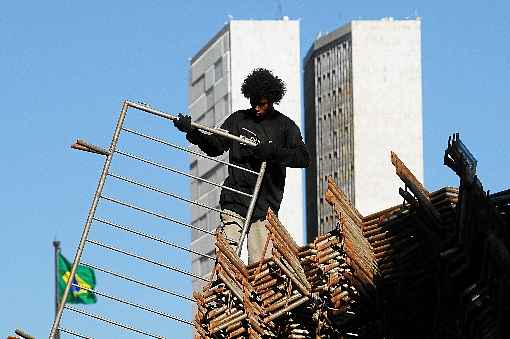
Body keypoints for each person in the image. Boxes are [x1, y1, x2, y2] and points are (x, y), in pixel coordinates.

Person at [174, 68, 310, 264]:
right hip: (234, 199)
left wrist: (272, 152)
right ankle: (227, 290)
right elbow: (215, 147)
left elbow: (303, 158)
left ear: (272, 100)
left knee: (260, 265)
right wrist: (193, 132)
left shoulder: (285, 127)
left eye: (262, 104)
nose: (257, 108)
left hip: (264, 207)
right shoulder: (238, 120)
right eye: (253, 102)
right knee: (227, 259)